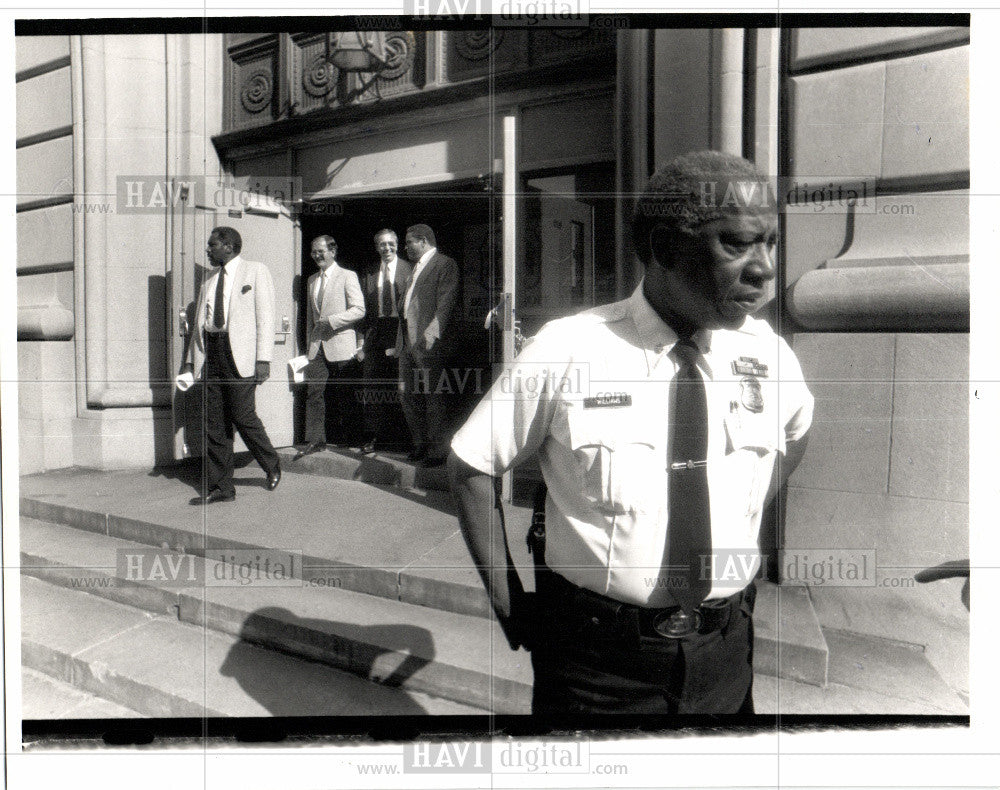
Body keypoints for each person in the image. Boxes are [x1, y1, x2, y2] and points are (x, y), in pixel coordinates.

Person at [448, 151, 815, 717]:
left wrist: (734, 514)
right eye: (736, 244)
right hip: (597, 668)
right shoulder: (570, 349)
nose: (764, 268)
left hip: (726, 654)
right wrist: (511, 605)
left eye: (769, 242)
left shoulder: (766, 352)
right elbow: (472, 466)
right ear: (667, 249)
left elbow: (796, 434)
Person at [183, 226, 281, 504]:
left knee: (242, 415)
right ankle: (222, 487)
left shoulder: (255, 271)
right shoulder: (209, 279)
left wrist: (264, 359)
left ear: (228, 246)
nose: (208, 250)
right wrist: (191, 362)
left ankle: (271, 463)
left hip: (242, 356)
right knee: (214, 423)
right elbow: (199, 326)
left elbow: (266, 317)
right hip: (211, 353)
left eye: (212, 245)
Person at [295, 235, 366, 459]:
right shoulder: (312, 280)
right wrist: (308, 346)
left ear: (333, 251)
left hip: (341, 343)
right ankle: (316, 441)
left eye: (321, 251)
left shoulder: (348, 276)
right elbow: (309, 318)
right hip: (317, 346)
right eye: (313, 252)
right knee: (314, 393)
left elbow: (359, 309)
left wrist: (333, 321)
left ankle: (352, 439)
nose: (317, 255)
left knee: (346, 392)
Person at [397, 223, 460, 467]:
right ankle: (420, 443)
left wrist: (431, 335)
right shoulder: (415, 268)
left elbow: (446, 303)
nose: (405, 247)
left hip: (428, 342)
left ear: (423, 241)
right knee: (407, 394)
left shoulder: (444, 264)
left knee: (433, 397)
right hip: (406, 343)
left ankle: (437, 450)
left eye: (408, 242)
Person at [356, 229, 412, 455]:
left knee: (402, 386)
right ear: (376, 247)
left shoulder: (409, 269)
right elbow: (362, 311)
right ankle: (375, 436)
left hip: (400, 330)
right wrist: (361, 343)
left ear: (397, 245)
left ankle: (404, 438)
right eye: (382, 244)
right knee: (373, 386)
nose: (386, 248)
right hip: (376, 332)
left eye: (390, 244)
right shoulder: (369, 272)